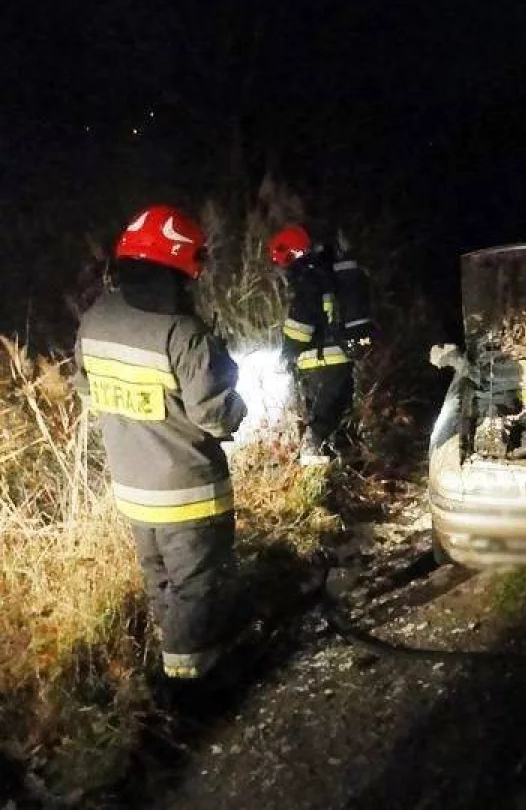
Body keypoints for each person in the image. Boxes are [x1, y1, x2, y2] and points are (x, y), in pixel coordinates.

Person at [73, 205, 247, 684]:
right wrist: (237, 400)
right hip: (188, 493)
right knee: (198, 588)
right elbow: (215, 417)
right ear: (181, 265)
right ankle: (192, 690)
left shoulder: (95, 318)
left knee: (161, 581)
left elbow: (87, 389)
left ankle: (171, 663)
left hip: (132, 488)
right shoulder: (184, 333)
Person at [268, 223, 373, 465]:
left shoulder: (308, 279)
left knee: (319, 428)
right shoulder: (329, 274)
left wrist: (287, 352)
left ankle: (316, 480)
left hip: (319, 361)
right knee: (340, 418)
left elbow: (301, 325)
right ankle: (347, 471)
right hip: (340, 359)